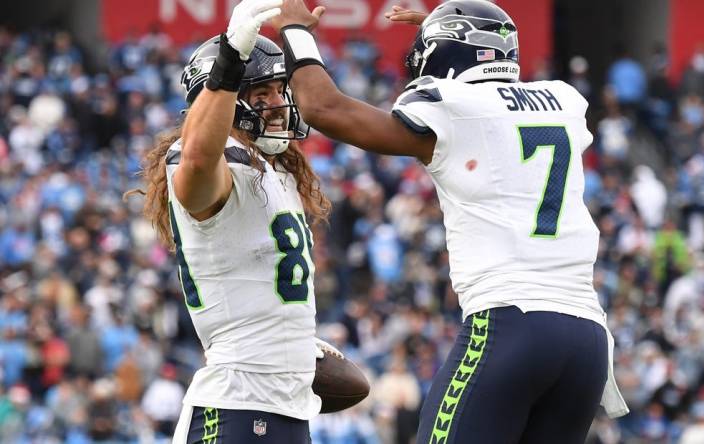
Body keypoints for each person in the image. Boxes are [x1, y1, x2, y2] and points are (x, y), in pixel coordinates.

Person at [269, 0, 629, 442]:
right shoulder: (563, 101)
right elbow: (500, 97)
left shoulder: (453, 103)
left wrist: (295, 33)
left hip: (511, 325)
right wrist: (447, 35)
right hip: (587, 341)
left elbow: (324, 109)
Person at [126, 0, 335, 442]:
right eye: (262, 94)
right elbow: (201, 156)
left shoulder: (277, 171)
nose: (278, 103)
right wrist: (230, 57)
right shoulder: (210, 162)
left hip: (288, 406)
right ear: (226, 99)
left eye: (281, 90)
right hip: (235, 405)